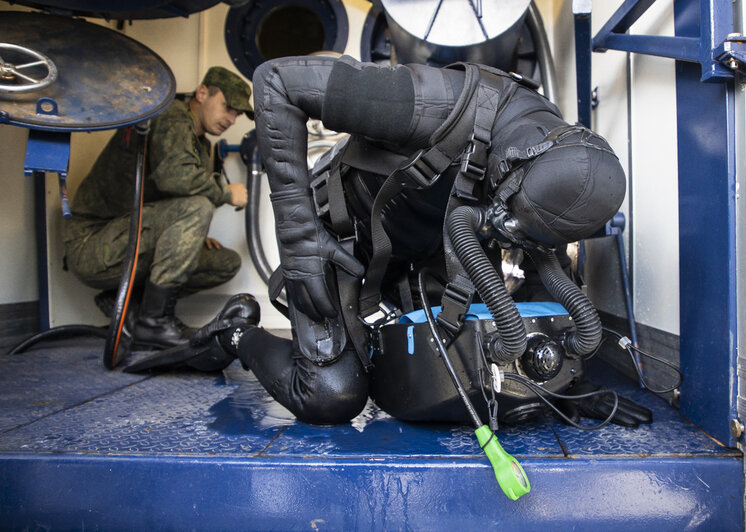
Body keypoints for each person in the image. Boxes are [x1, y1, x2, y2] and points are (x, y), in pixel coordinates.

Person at [129, 55, 650, 429]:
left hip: (422, 257)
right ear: (511, 168)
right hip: (340, 243)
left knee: (450, 379)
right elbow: (274, 83)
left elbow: (541, 276)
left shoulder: (553, 160)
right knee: (333, 395)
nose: (511, 232)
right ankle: (235, 335)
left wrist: (567, 384)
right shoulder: (434, 101)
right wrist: (301, 238)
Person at [64, 66, 252, 349]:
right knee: (198, 207)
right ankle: (154, 325)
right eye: (227, 107)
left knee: (224, 263)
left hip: (127, 238)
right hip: (92, 244)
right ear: (202, 93)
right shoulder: (171, 115)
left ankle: (128, 306)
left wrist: (188, 237)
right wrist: (227, 192)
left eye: (236, 114)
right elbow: (174, 177)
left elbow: (168, 196)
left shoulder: (199, 142)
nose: (231, 119)